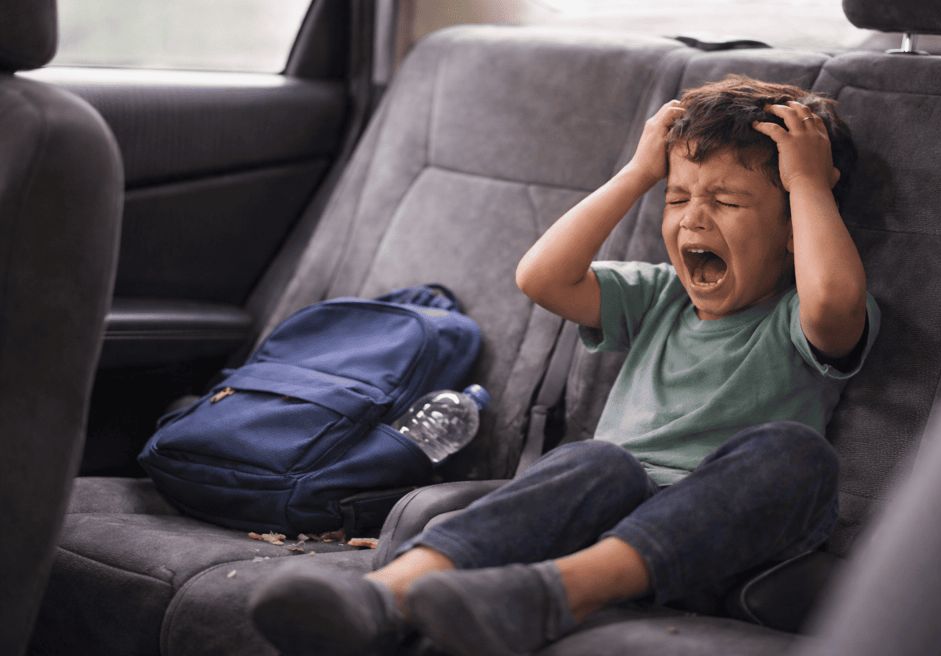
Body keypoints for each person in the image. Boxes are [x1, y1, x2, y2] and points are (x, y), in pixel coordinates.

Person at [249, 75, 880, 656]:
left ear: (797, 228)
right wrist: (637, 173)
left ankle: (550, 595)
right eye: (678, 196)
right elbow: (541, 276)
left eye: (727, 203)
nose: (692, 216)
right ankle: (383, 597)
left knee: (797, 454)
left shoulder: (799, 312)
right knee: (596, 459)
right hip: (608, 516)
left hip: (733, 534)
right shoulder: (658, 295)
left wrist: (808, 184)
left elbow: (834, 304)